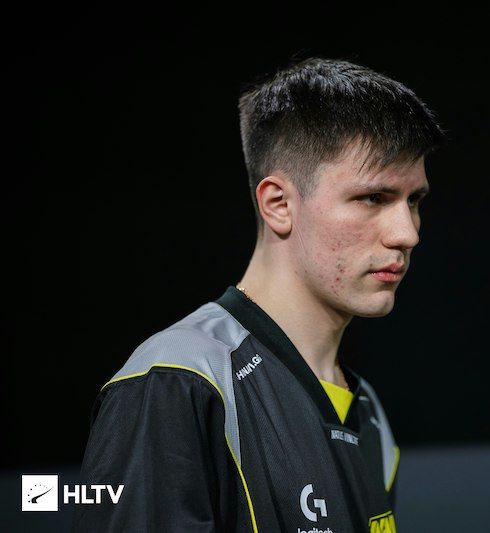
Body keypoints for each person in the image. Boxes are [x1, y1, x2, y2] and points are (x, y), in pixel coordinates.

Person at [72, 57, 445, 532]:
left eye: (414, 201)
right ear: (279, 204)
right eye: (373, 198)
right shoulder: (176, 382)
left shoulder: (369, 413)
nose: (407, 233)